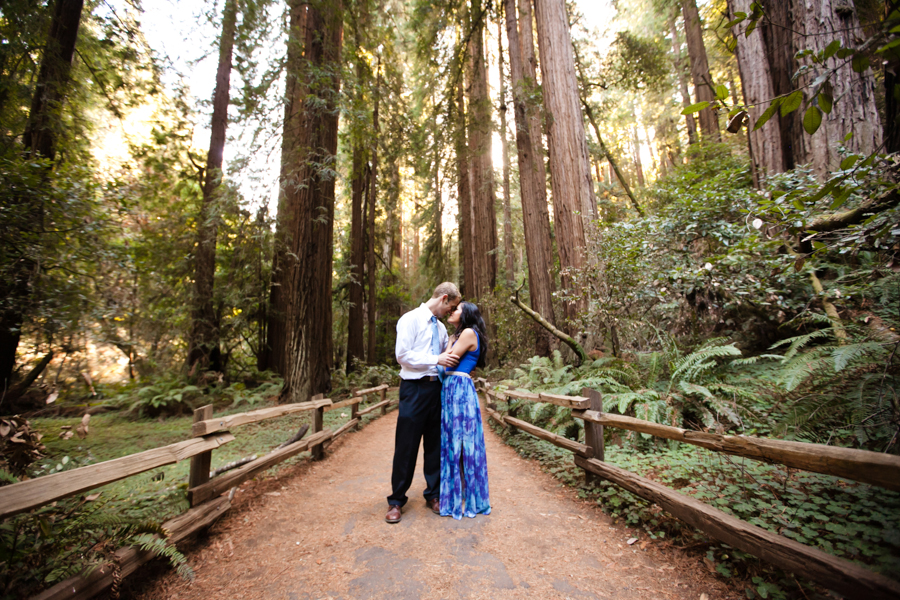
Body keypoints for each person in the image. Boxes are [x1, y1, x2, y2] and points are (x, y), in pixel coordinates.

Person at [386, 282, 461, 524]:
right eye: (452, 307)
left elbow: (444, 359)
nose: (451, 312)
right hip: (414, 389)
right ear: (444, 298)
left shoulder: (440, 328)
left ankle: (434, 495)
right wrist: (435, 359)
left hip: (435, 389)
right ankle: (396, 500)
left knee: (435, 444)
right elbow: (403, 355)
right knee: (406, 445)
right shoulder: (410, 319)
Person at [440, 301, 491, 520]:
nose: (452, 311)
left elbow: (445, 364)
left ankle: (469, 498)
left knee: (464, 443)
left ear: (466, 314)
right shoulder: (459, 335)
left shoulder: (468, 333)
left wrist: (450, 343)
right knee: (453, 442)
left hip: (459, 389)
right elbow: (445, 364)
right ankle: (457, 494)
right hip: (451, 388)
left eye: (457, 308)